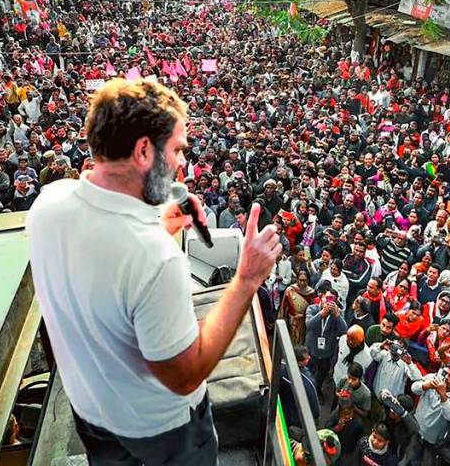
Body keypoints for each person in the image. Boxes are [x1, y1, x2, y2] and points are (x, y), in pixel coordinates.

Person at [27, 79, 282, 465]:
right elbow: (186, 375)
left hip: (91, 414)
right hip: (164, 434)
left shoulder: (49, 203)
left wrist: (158, 224)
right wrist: (247, 278)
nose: (182, 163)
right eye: (177, 150)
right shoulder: (154, 258)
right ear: (144, 150)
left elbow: (105, 264)